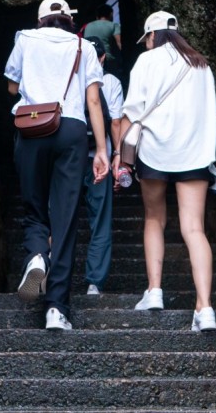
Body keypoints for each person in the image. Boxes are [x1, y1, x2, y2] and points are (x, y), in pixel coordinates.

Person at [5, 0, 110, 331]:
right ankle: (57, 310)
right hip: (72, 129)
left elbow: (11, 86)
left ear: (40, 21)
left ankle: (37, 255)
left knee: (35, 209)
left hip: (32, 126)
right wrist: (103, 150)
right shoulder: (83, 46)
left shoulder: (24, 38)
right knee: (65, 219)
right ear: (68, 19)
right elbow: (94, 99)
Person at [119, 10, 216, 332]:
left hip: (155, 152)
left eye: (147, 39)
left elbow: (131, 112)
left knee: (154, 219)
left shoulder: (146, 62)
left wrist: (123, 158)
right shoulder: (201, 65)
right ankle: (205, 308)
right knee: (194, 229)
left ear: (152, 35)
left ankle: (154, 291)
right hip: (193, 152)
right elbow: (211, 113)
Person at [81, 37, 125, 297]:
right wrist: (117, 154)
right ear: (103, 58)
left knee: (59, 216)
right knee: (100, 220)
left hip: (70, 158)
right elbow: (116, 122)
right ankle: (94, 282)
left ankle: (47, 266)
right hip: (102, 159)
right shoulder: (110, 82)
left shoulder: (73, 78)